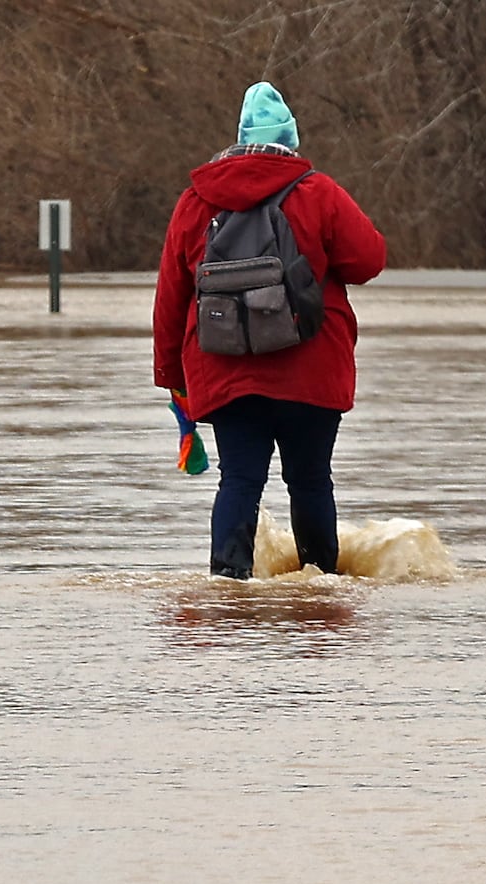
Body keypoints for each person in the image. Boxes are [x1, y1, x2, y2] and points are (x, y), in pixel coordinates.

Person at [153, 81, 387, 578]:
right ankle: (321, 588)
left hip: (224, 368)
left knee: (238, 479)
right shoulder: (318, 192)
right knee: (310, 482)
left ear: (238, 137)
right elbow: (368, 260)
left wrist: (172, 377)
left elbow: (171, 297)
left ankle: (228, 586)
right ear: (290, 139)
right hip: (312, 367)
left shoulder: (195, 202)